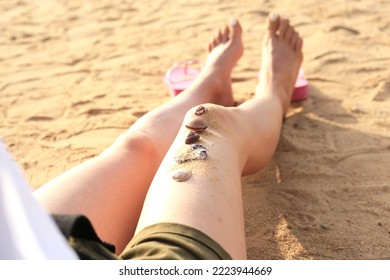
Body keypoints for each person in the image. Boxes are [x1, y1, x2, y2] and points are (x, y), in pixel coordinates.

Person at [30, 13, 303, 260]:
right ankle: (275, 91)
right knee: (210, 124)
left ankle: (210, 83)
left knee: (139, 147)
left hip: (24, 248)